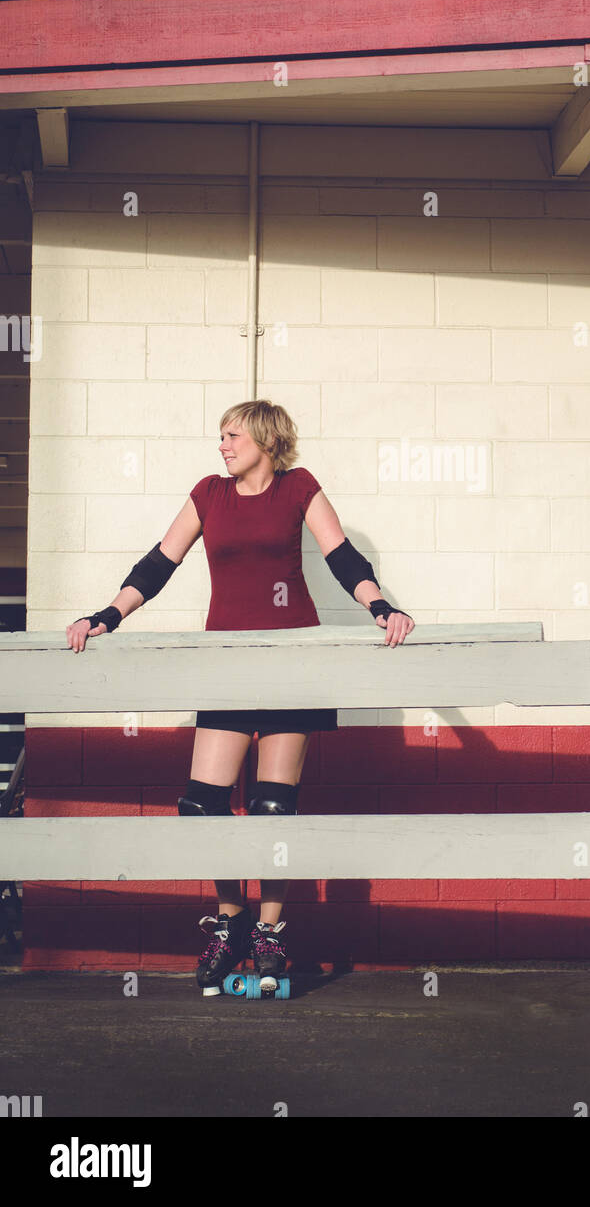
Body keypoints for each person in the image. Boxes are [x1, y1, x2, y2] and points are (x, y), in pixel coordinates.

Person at [66, 399, 414, 995]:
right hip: (224, 667)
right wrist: (107, 616)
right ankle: (230, 925)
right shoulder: (207, 494)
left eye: (232, 435)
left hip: (289, 663)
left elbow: (340, 555)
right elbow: (159, 562)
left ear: (265, 439)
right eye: (220, 436)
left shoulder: (299, 487)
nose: (222, 445)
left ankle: (271, 934)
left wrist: (379, 605)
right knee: (202, 806)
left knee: (273, 807)